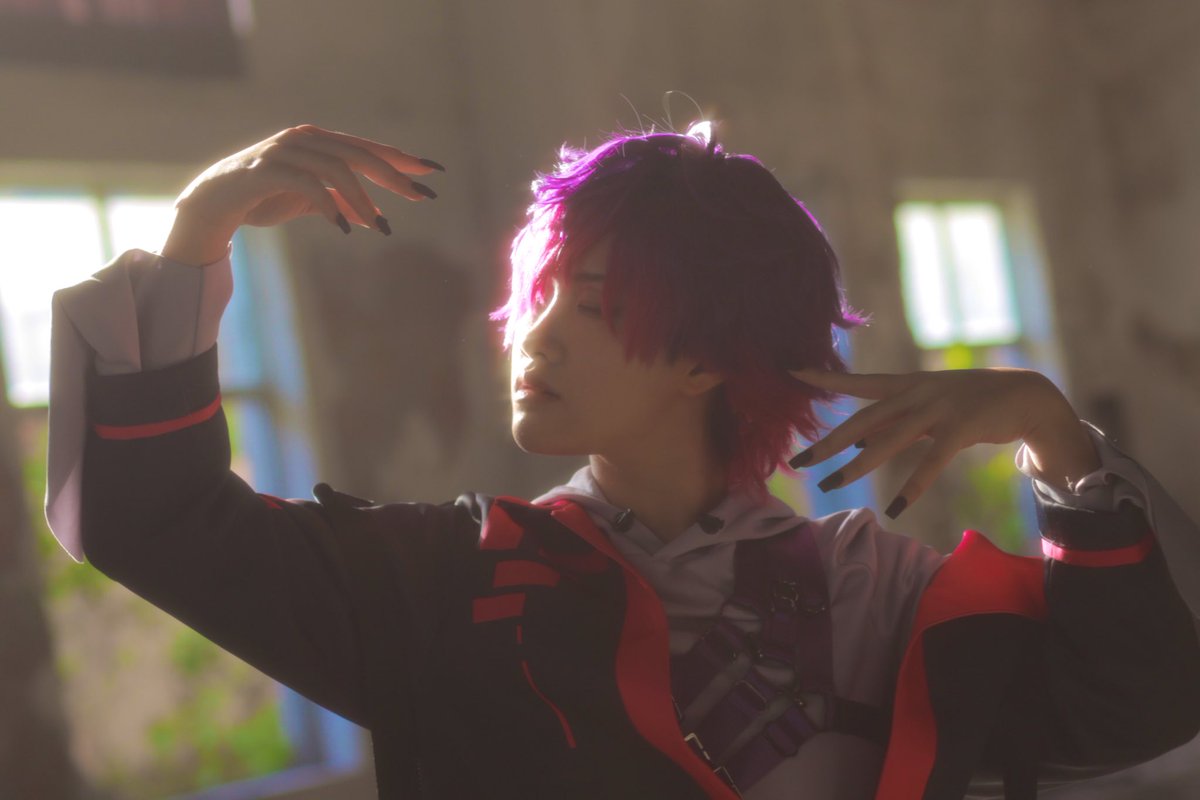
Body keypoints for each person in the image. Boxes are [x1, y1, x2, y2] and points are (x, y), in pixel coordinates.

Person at [46, 123, 1200, 799]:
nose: (535, 335)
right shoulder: (454, 582)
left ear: (707, 357)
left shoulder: (879, 590)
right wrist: (197, 230)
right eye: (537, 293)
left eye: (592, 304)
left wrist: (1054, 435)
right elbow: (155, 518)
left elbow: (1138, 705)